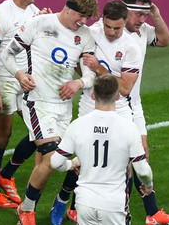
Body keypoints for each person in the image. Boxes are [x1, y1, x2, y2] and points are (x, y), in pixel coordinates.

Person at [1, 0, 98, 225]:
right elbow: (7, 55)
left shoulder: (85, 36)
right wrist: (20, 75)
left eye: (87, 18)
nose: (84, 22)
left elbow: (91, 75)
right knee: (54, 157)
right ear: (68, 9)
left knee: (47, 164)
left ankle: (26, 207)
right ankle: (28, 210)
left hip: (63, 108)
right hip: (37, 102)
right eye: (81, 16)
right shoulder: (40, 23)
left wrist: (79, 82)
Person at [50, 0, 143, 225]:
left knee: (125, 163)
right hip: (90, 103)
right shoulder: (90, 33)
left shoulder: (132, 47)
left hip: (119, 108)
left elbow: (125, 88)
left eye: (117, 28)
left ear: (125, 23)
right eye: (109, 27)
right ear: (102, 20)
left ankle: (122, 207)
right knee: (84, 158)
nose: (111, 32)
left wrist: (99, 68)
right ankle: (63, 199)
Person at [0, 0, 51, 209]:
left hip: (26, 79)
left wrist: (44, 21)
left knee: (40, 130)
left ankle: (7, 174)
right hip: (5, 80)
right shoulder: (0, 15)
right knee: (2, 136)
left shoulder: (32, 11)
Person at [50, 74, 154, 225]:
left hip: (85, 203)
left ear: (93, 95)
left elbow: (55, 162)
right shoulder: (129, 128)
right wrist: (148, 185)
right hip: (113, 205)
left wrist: (71, 164)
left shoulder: (77, 125)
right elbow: (143, 171)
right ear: (117, 96)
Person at [122, 0, 169, 225]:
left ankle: (152, 213)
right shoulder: (107, 32)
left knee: (140, 157)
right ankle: (73, 204)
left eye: (145, 14)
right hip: (112, 106)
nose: (142, 19)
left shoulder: (144, 32)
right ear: (125, 10)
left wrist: (155, 16)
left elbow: (165, 40)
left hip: (134, 106)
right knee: (118, 162)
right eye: (139, 14)